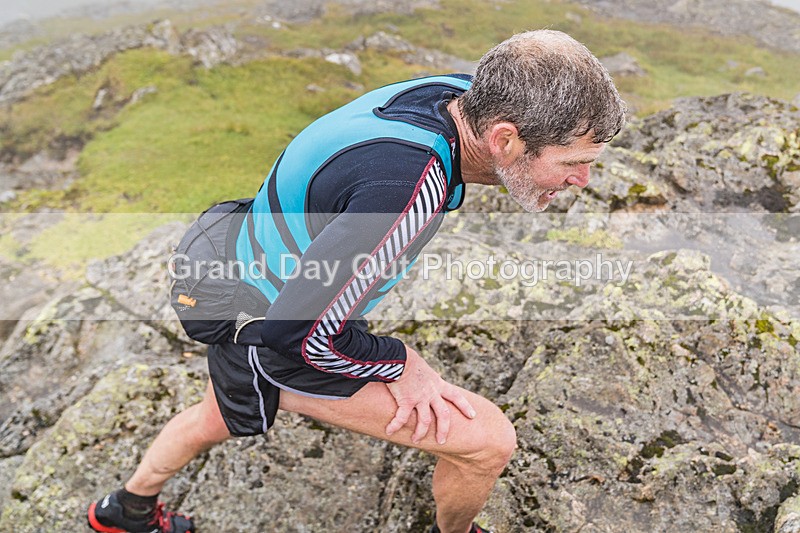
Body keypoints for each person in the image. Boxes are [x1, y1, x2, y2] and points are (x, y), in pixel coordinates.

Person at [86, 29, 625, 533]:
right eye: (573, 163)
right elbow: (296, 335)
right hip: (274, 331)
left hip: (248, 277)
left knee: (216, 414)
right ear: (504, 138)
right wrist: (401, 363)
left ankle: (124, 511)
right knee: (487, 442)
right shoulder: (404, 188)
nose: (582, 180)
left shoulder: (455, 96)